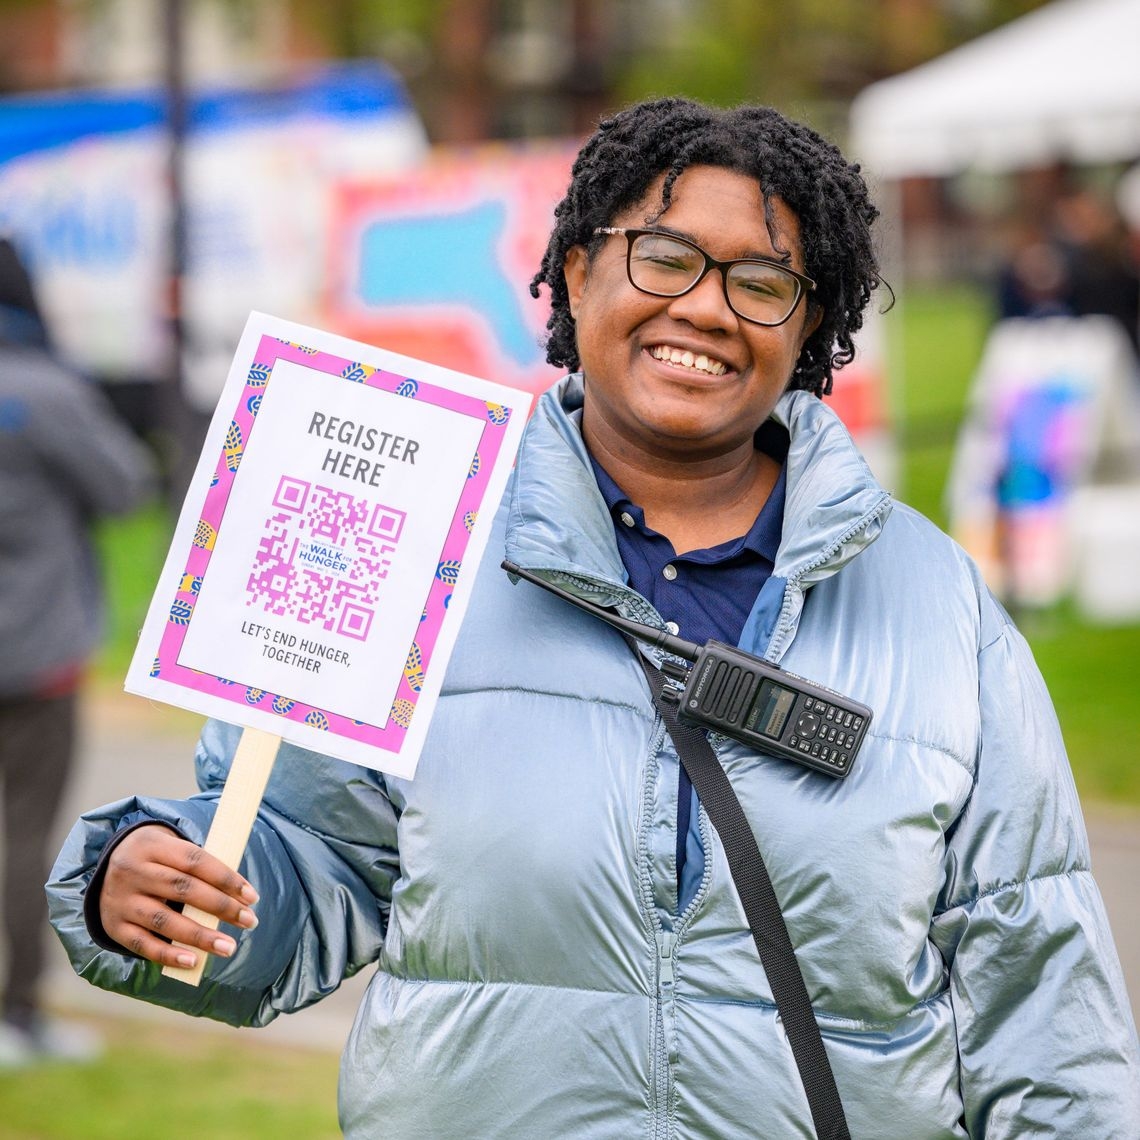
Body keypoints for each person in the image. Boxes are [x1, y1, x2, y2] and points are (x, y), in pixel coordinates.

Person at [47, 99, 1139, 1136]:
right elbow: (307, 870)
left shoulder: (936, 604)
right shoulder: (411, 545)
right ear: (577, 271)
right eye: (664, 258)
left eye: (763, 282)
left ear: (809, 325)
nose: (706, 306)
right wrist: (157, 887)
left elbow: (1037, 975)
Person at [0, 236, 157, 1066]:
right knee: (24, 832)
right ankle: (17, 1015)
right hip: (35, 651)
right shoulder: (42, 391)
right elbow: (126, 485)